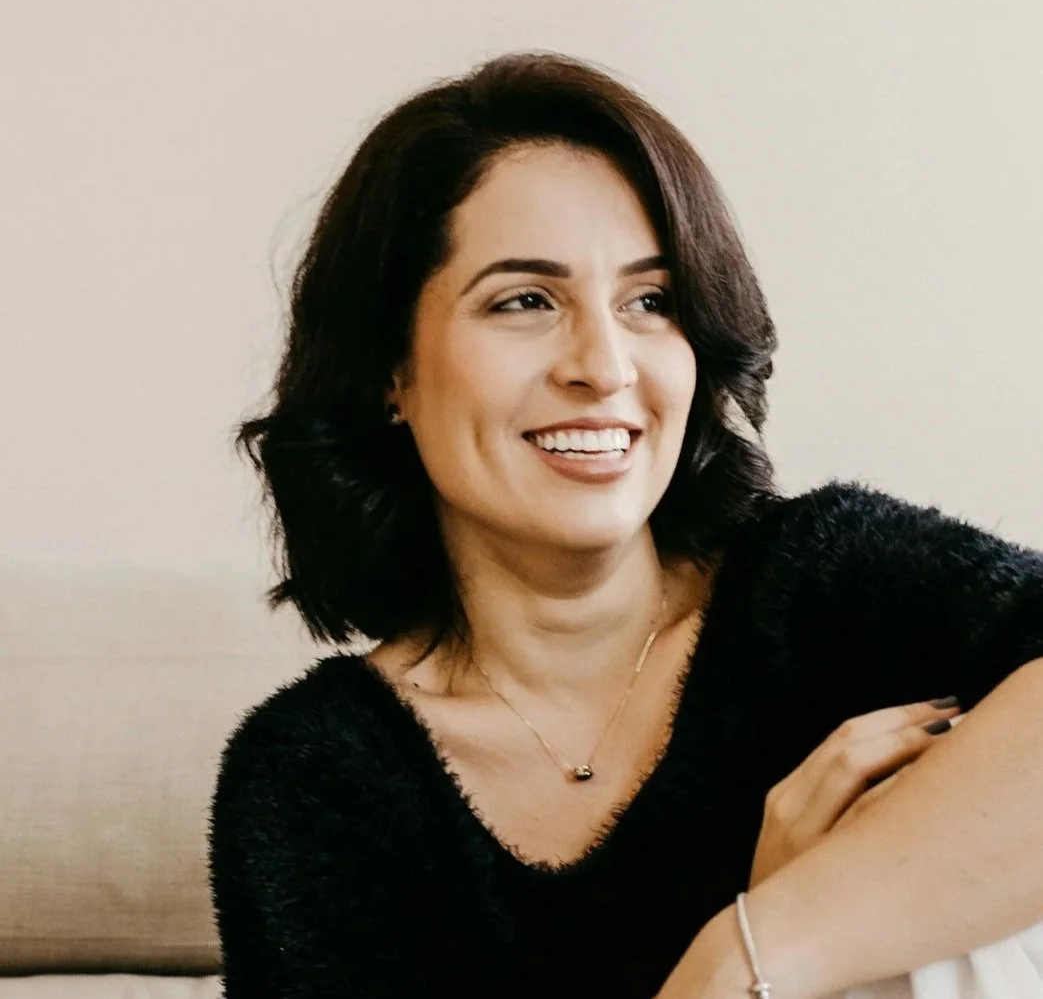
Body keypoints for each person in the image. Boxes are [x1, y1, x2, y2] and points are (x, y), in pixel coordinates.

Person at [206, 50, 1043, 999]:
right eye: (524, 301)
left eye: (651, 302)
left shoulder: (827, 584)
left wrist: (767, 939)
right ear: (389, 369)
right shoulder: (322, 779)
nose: (603, 365)